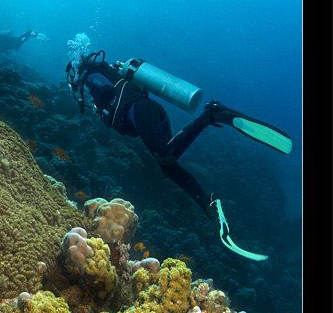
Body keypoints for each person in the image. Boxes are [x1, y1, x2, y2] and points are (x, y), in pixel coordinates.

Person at [66, 50, 293, 261]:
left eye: (72, 76)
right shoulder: (109, 73)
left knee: (165, 156)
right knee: (168, 166)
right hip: (150, 112)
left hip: (140, 112)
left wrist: (100, 104)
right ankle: (208, 203)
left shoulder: (91, 77)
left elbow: (107, 91)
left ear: (79, 70)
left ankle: (211, 114)